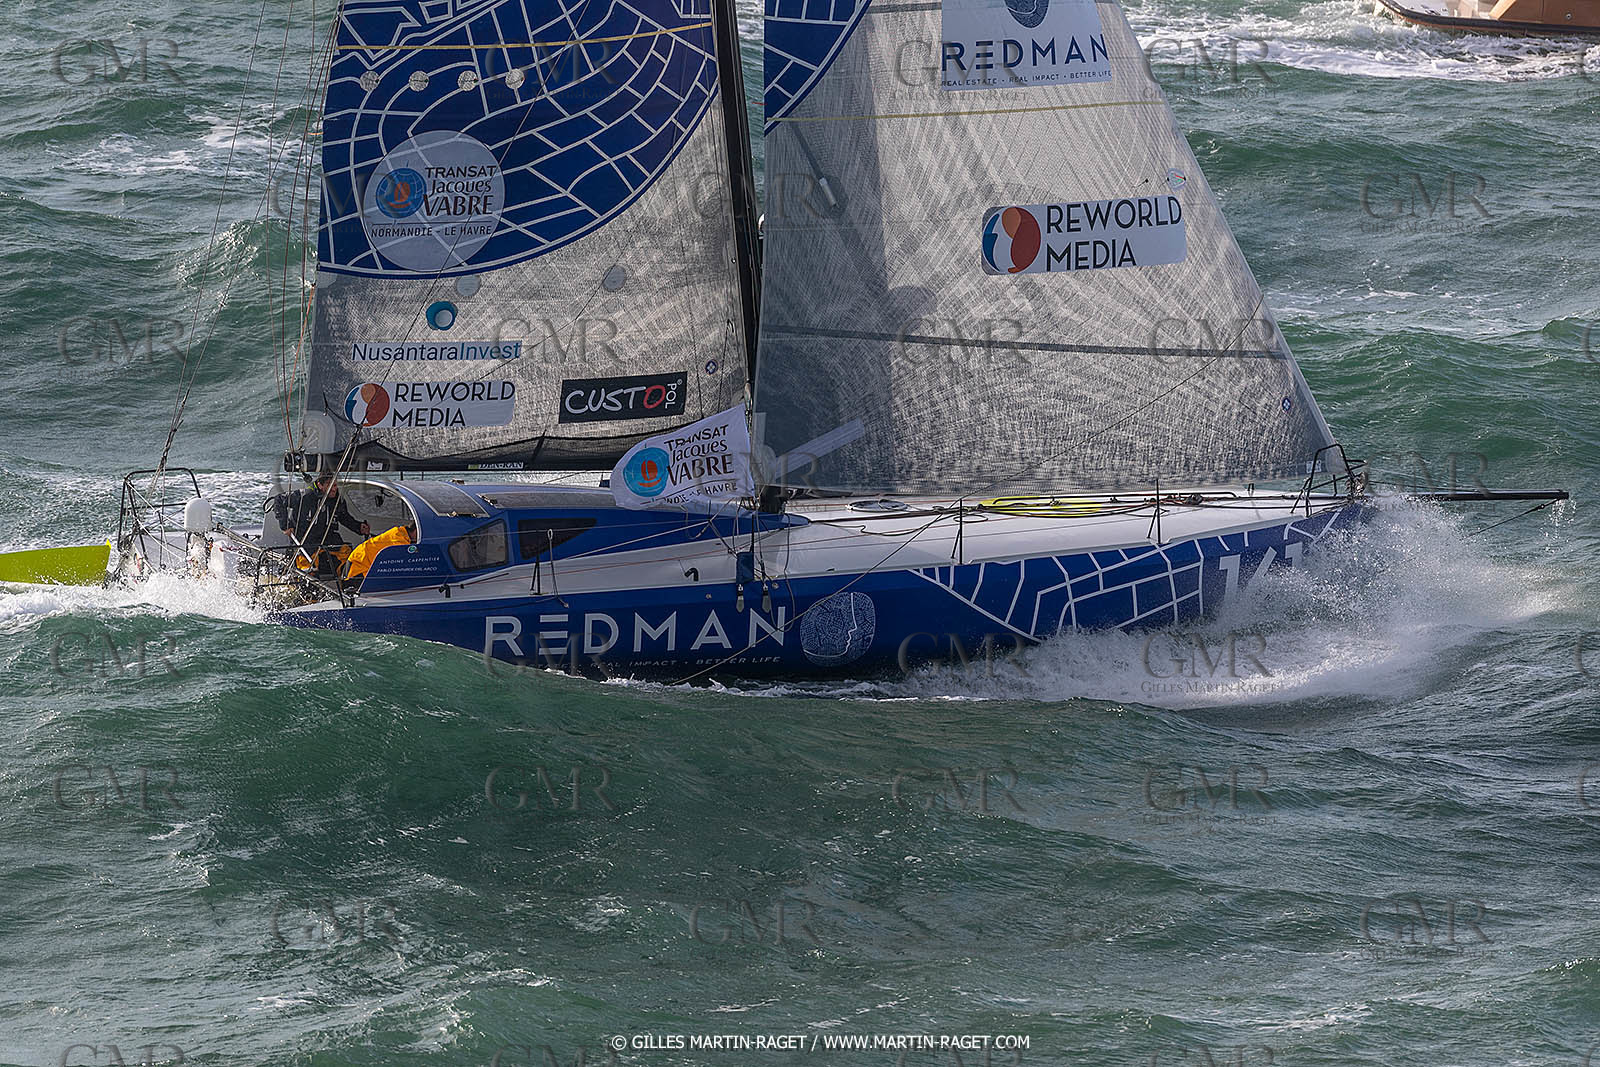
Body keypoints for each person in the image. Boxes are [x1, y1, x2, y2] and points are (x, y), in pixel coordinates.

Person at [273, 474, 369, 573]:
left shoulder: (337, 501)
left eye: (335, 485)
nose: (334, 489)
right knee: (307, 568)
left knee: (346, 555)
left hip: (328, 538)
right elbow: (279, 500)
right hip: (305, 540)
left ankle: (349, 583)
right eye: (330, 485)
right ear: (319, 485)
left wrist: (359, 527)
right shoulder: (303, 496)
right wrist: (285, 525)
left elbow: (344, 518)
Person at [344, 522, 416, 581]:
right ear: (415, 531)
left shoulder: (399, 532)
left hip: (358, 558)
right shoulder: (400, 540)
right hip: (359, 566)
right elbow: (404, 563)